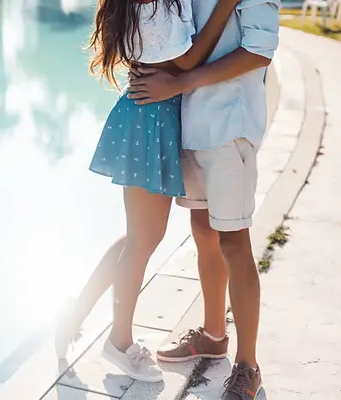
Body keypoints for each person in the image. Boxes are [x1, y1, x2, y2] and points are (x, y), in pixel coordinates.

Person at [55, 0, 241, 383]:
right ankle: (119, 343)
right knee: (143, 239)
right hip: (149, 118)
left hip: (153, 115)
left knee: (137, 237)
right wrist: (226, 7)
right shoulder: (153, 4)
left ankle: (76, 314)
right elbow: (187, 63)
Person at [126, 0, 280, 397]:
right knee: (202, 231)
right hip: (190, 124)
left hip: (230, 127)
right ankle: (214, 335)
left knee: (233, 240)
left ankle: (249, 365)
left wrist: (178, 83)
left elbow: (259, 52)